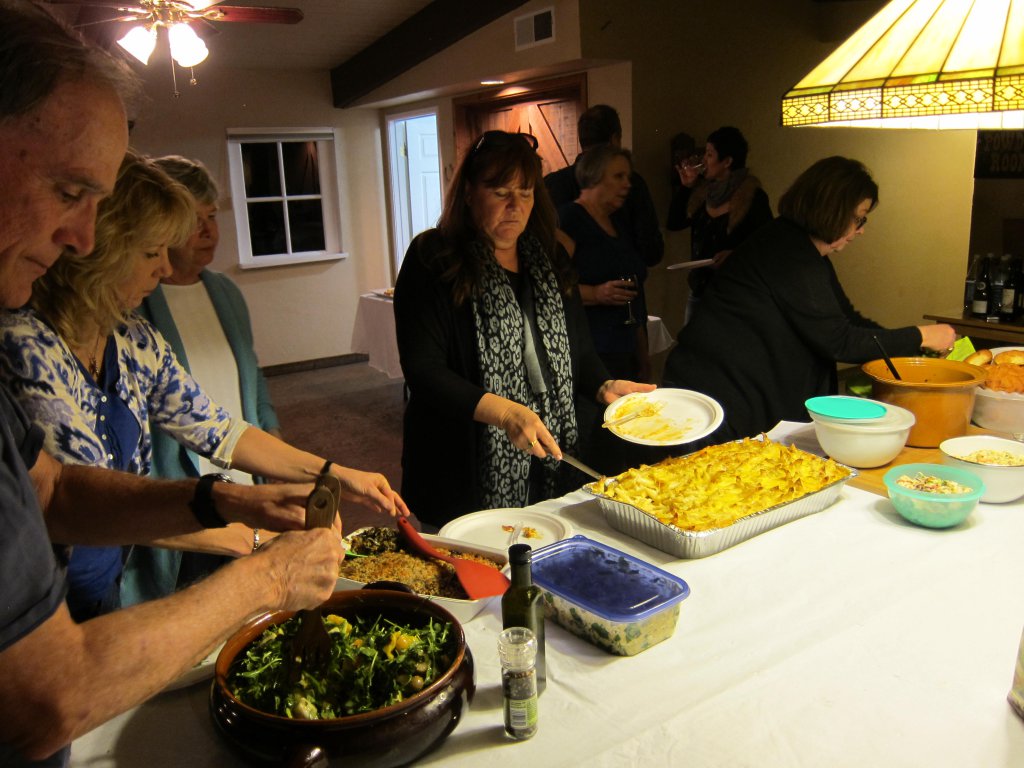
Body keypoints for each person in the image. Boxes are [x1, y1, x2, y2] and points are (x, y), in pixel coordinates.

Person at [0, 3, 341, 765]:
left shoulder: (129, 338)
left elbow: (52, 491)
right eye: (66, 191)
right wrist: (266, 573)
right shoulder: (19, 347)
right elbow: (44, 698)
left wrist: (222, 496)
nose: (80, 238)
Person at [0, 149, 408, 621]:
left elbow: (220, 430)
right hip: (38, 608)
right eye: (151, 253)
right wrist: (245, 526)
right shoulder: (24, 345)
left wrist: (333, 473)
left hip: (102, 589)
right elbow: (81, 503)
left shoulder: (131, 338)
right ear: (101, 251)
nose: (165, 270)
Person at [394, 130, 654, 528]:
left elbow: (578, 351)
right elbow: (424, 371)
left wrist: (604, 386)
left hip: (546, 453)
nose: (515, 206)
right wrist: (503, 412)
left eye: (526, 192)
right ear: (468, 193)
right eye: (500, 193)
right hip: (462, 465)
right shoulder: (434, 257)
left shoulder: (548, 258)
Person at [662, 156, 957, 441]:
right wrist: (922, 336)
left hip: (738, 386)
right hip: (722, 393)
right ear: (832, 210)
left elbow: (849, 319)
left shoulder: (804, 249)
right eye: (858, 217)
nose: (862, 229)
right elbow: (839, 340)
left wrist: (907, 353)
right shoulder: (788, 253)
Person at [125, 154, 282, 606]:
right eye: (194, 222)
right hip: (181, 501)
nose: (210, 232)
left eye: (212, 218)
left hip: (241, 481)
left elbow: (248, 379)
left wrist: (275, 449)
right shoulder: (135, 311)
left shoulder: (224, 292)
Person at [558, 144, 649, 381]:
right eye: (619, 176)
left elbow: (633, 294)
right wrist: (596, 293)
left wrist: (643, 356)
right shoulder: (569, 220)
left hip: (625, 348)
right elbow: (551, 288)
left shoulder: (617, 222)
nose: (627, 184)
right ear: (594, 176)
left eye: (627, 177)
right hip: (592, 353)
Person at [666, 126, 773, 323]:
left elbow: (766, 245)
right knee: (693, 349)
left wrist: (735, 254)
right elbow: (674, 223)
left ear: (727, 161)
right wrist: (686, 188)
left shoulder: (752, 197)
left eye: (709, 154)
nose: (704, 160)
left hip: (735, 296)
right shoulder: (702, 194)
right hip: (699, 291)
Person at [544, 104, 664, 269]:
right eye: (618, 177)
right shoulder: (633, 184)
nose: (624, 184)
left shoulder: (553, 183)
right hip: (612, 287)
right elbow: (651, 250)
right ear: (614, 139)